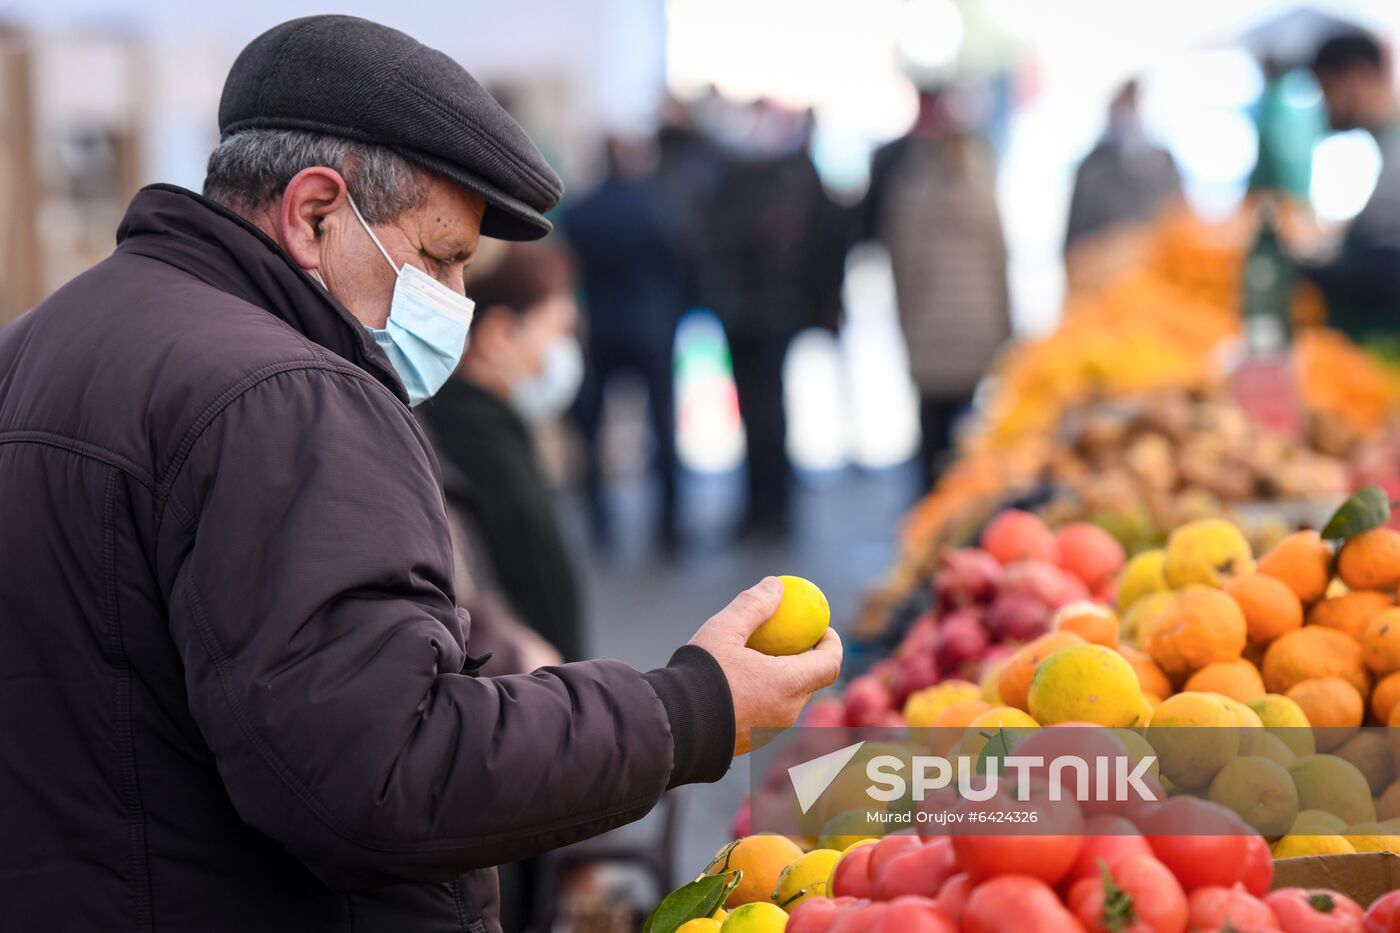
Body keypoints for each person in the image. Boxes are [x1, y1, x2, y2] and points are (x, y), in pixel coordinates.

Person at [0, 16, 841, 932]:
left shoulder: (42, 344)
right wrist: (693, 706)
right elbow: (384, 771)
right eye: (440, 256)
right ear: (317, 214)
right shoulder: (287, 395)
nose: (458, 299)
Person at [420, 243, 585, 665]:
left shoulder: (486, 426)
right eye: (556, 333)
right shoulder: (482, 448)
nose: (563, 354)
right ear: (498, 335)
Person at [698, 99, 844, 537]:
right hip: (769, 311)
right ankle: (771, 505)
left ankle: (767, 506)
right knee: (768, 407)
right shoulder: (791, 177)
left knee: (761, 408)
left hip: (753, 312)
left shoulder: (732, 178)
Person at [864, 86, 1012, 491]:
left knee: (931, 426)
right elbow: (1000, 261)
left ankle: (932, 501)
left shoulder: (912, 195)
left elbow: (903, 266)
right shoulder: (981, 193)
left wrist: (906, 323)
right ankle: (960, 494)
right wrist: (1004, 326)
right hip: (978, 325)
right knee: (970, 428)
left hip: (929, 325)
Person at [563, 138, 688, 554]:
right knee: (662, 425)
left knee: (592, 429)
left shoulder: (582, 211)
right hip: (649, 327)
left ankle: (602, 523)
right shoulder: (653, 206)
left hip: (600, 329)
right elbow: (676, 262)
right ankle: (669, 526)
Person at [1302, 31, 1400, 340]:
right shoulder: (1385, 147)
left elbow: (1385, 270)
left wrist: (1304, 270)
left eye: (1326, 89)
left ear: (1356, 75)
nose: (1325, 106)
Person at [1064, 80, 1182, 253]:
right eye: (1121, 109)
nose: (1126, 117)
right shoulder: (1094, 167)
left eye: (1130, 108)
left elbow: (1177, 223)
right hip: (1100, 268)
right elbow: (1074, 243)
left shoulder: (1166, 165)